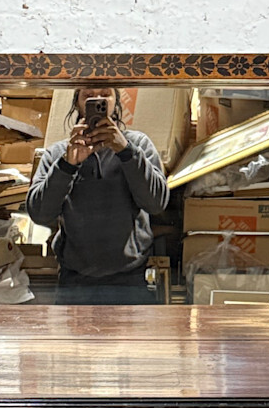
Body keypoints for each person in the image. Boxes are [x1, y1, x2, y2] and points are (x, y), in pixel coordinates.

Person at [26, 85, 169, 304]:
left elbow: (156, 203)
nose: (98, 99)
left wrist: (126, 152)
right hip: (74, 280)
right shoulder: (58, 153)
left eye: (105, 94)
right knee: (75, 340)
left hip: (130, 278)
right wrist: (67, 165)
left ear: (116, 102)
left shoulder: (138, 144)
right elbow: (40, 214)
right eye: (88, 96)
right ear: (77, 103)